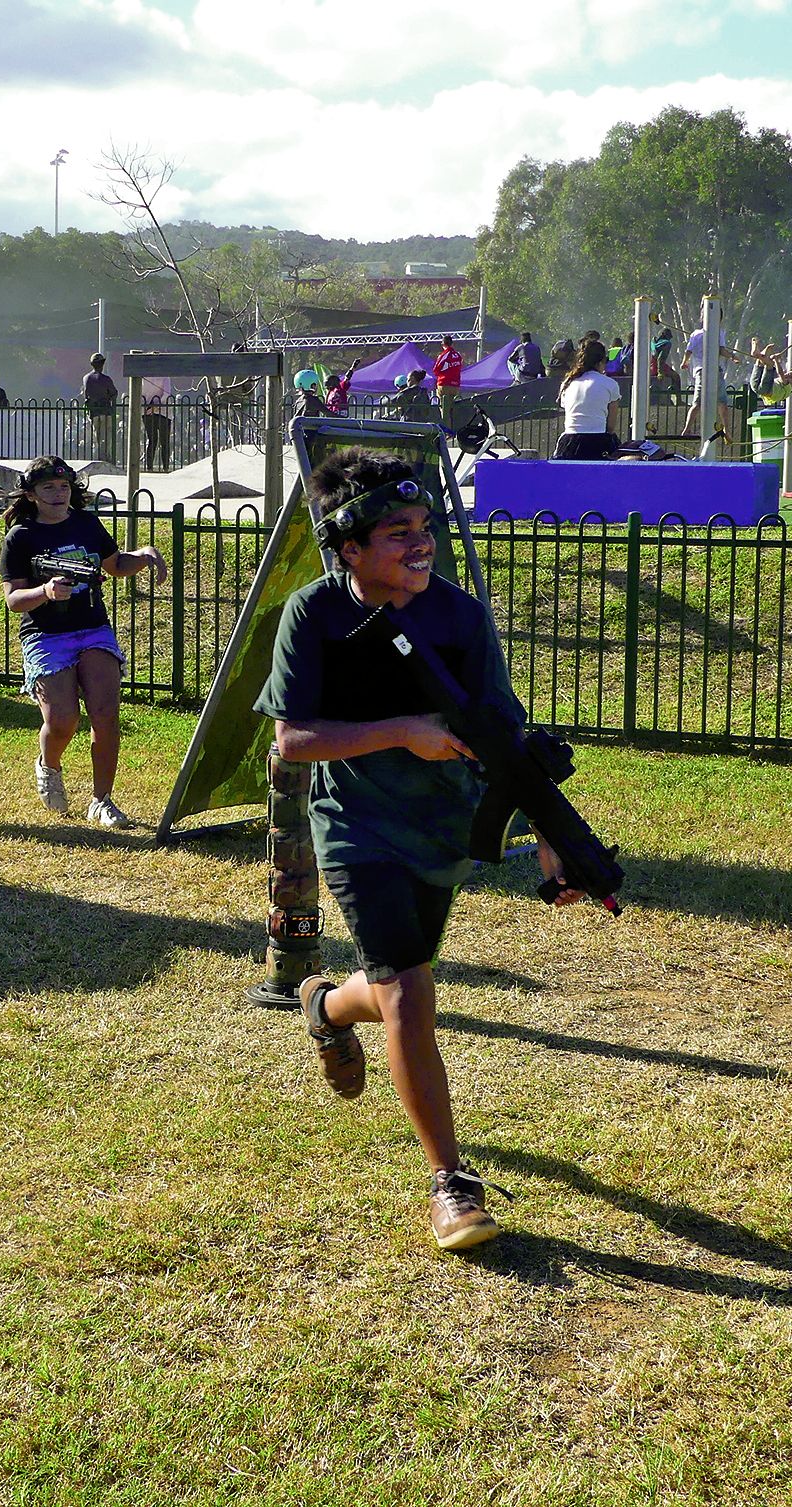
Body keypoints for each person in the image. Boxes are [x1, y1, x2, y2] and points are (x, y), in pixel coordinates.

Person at [254, 448, 582, 1252]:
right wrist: (403, 731)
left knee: (393, 987)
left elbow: (504, 735)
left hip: (442, 826)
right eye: (396, 531)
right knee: (409, 993)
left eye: (423, 526)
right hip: (356, 825)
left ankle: (326, 1005)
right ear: (351, 548)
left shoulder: (459, 616)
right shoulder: (314, 613)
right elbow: (292, 736)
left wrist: (550, 837)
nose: (418, 542)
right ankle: (450, 1182)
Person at [0, 455, 167, 830]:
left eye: (64, 487)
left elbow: (115, 565)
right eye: (48, 488)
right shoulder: (21, 537)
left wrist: (144, 556)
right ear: (31, 494)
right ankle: (49, 765)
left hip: (93, 628)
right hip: (46, 635)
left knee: (105, 715)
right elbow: (13, 600)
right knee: (63, 720)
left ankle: (101, 800)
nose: (59, 495)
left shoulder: (87, 524)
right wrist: (44, 591)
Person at [554, 337, 619, 460]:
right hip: (598, 442)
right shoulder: (610, 384)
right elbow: (610, 427)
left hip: (569, 444)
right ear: (601, 361)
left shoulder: (568, 383)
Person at [83, 353, 119, 463]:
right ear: (102, 364)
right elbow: (114, 393)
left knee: (97, 437)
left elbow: (86, 394)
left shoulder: (86, 378)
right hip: (106, 411)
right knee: (106, 437)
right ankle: (106, 458)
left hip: (93, 412)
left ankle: (98, 457)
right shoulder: (106, 379)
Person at [431, 335, 465, 428]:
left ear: (443, 344)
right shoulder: (458, 355)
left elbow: (435, 369)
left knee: (444, 409)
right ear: (452, 343)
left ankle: (446, 431)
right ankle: (455, 428)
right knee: (453, 408)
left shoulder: (444, 354)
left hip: (444, 383)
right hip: (456, 384)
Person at [141, 374, 173, 468]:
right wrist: (157, 405)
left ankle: (149, 466)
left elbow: (140, 394)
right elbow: (167, 393)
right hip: (163, 411)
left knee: (152, 440)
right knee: (164, 441)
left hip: (147, 410)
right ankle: (165, 467)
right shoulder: (164, 376)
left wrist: (147, 407)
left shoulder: (143, 376)